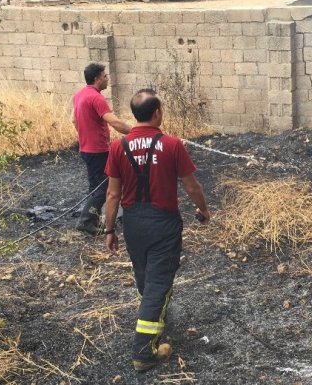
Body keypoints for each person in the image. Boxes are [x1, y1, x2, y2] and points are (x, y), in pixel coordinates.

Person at [103, 89, 210, 372]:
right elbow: (191, 186)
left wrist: (109, 230)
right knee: (158, 283)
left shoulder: (118, 147)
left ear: (134, 114)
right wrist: (203, 209)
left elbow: (112, 196)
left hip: (134, 224)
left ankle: (154, 322)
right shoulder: (173, 145)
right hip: (163, 223)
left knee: (145, 277)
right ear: (157, 113)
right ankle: (143, 351)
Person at [72, 63, 131, 235]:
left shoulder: (80, 95)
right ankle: (86, 221)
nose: (107, 79)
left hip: (86, 148)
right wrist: (137, 131)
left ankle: (93, 218)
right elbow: (114, 122)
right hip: (97, 150)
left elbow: (74, 120)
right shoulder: (96, 98)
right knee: (103, 186)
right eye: (105, 76)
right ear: (97, 78)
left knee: (95, 185)